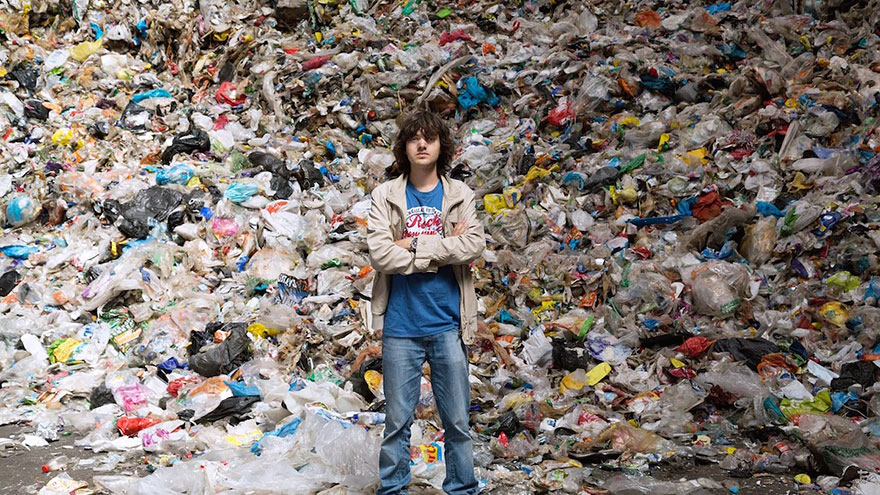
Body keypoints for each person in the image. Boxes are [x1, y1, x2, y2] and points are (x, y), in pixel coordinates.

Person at [367, 108, 485, 495]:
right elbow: (381, 255)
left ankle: (461, 489)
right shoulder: (386, 195)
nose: (422, 144)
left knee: (457, 423)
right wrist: (441, 248)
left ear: (440, 146)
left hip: (448, 323)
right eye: (414, 138)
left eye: (429, 138)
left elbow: (473, 246)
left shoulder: (458, 195)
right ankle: (393, 490)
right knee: (397, 422)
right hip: (401, 326)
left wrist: (412, 245)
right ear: (404, 147)